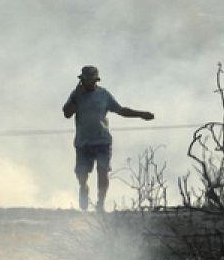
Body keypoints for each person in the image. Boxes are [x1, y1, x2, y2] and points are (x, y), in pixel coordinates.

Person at [61, 65, 155, 212]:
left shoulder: (103, 94)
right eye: (84, 80)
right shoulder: (76, 94)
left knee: (103, 172)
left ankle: (100, 203)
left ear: (95, 80)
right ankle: (83, 188)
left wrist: (141, 114)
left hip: (102, 141)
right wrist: (75, 98)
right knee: (81, 174)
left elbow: (121, 110)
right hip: (83, 142)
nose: (87, 83)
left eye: (90, 80)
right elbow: (67, 113)